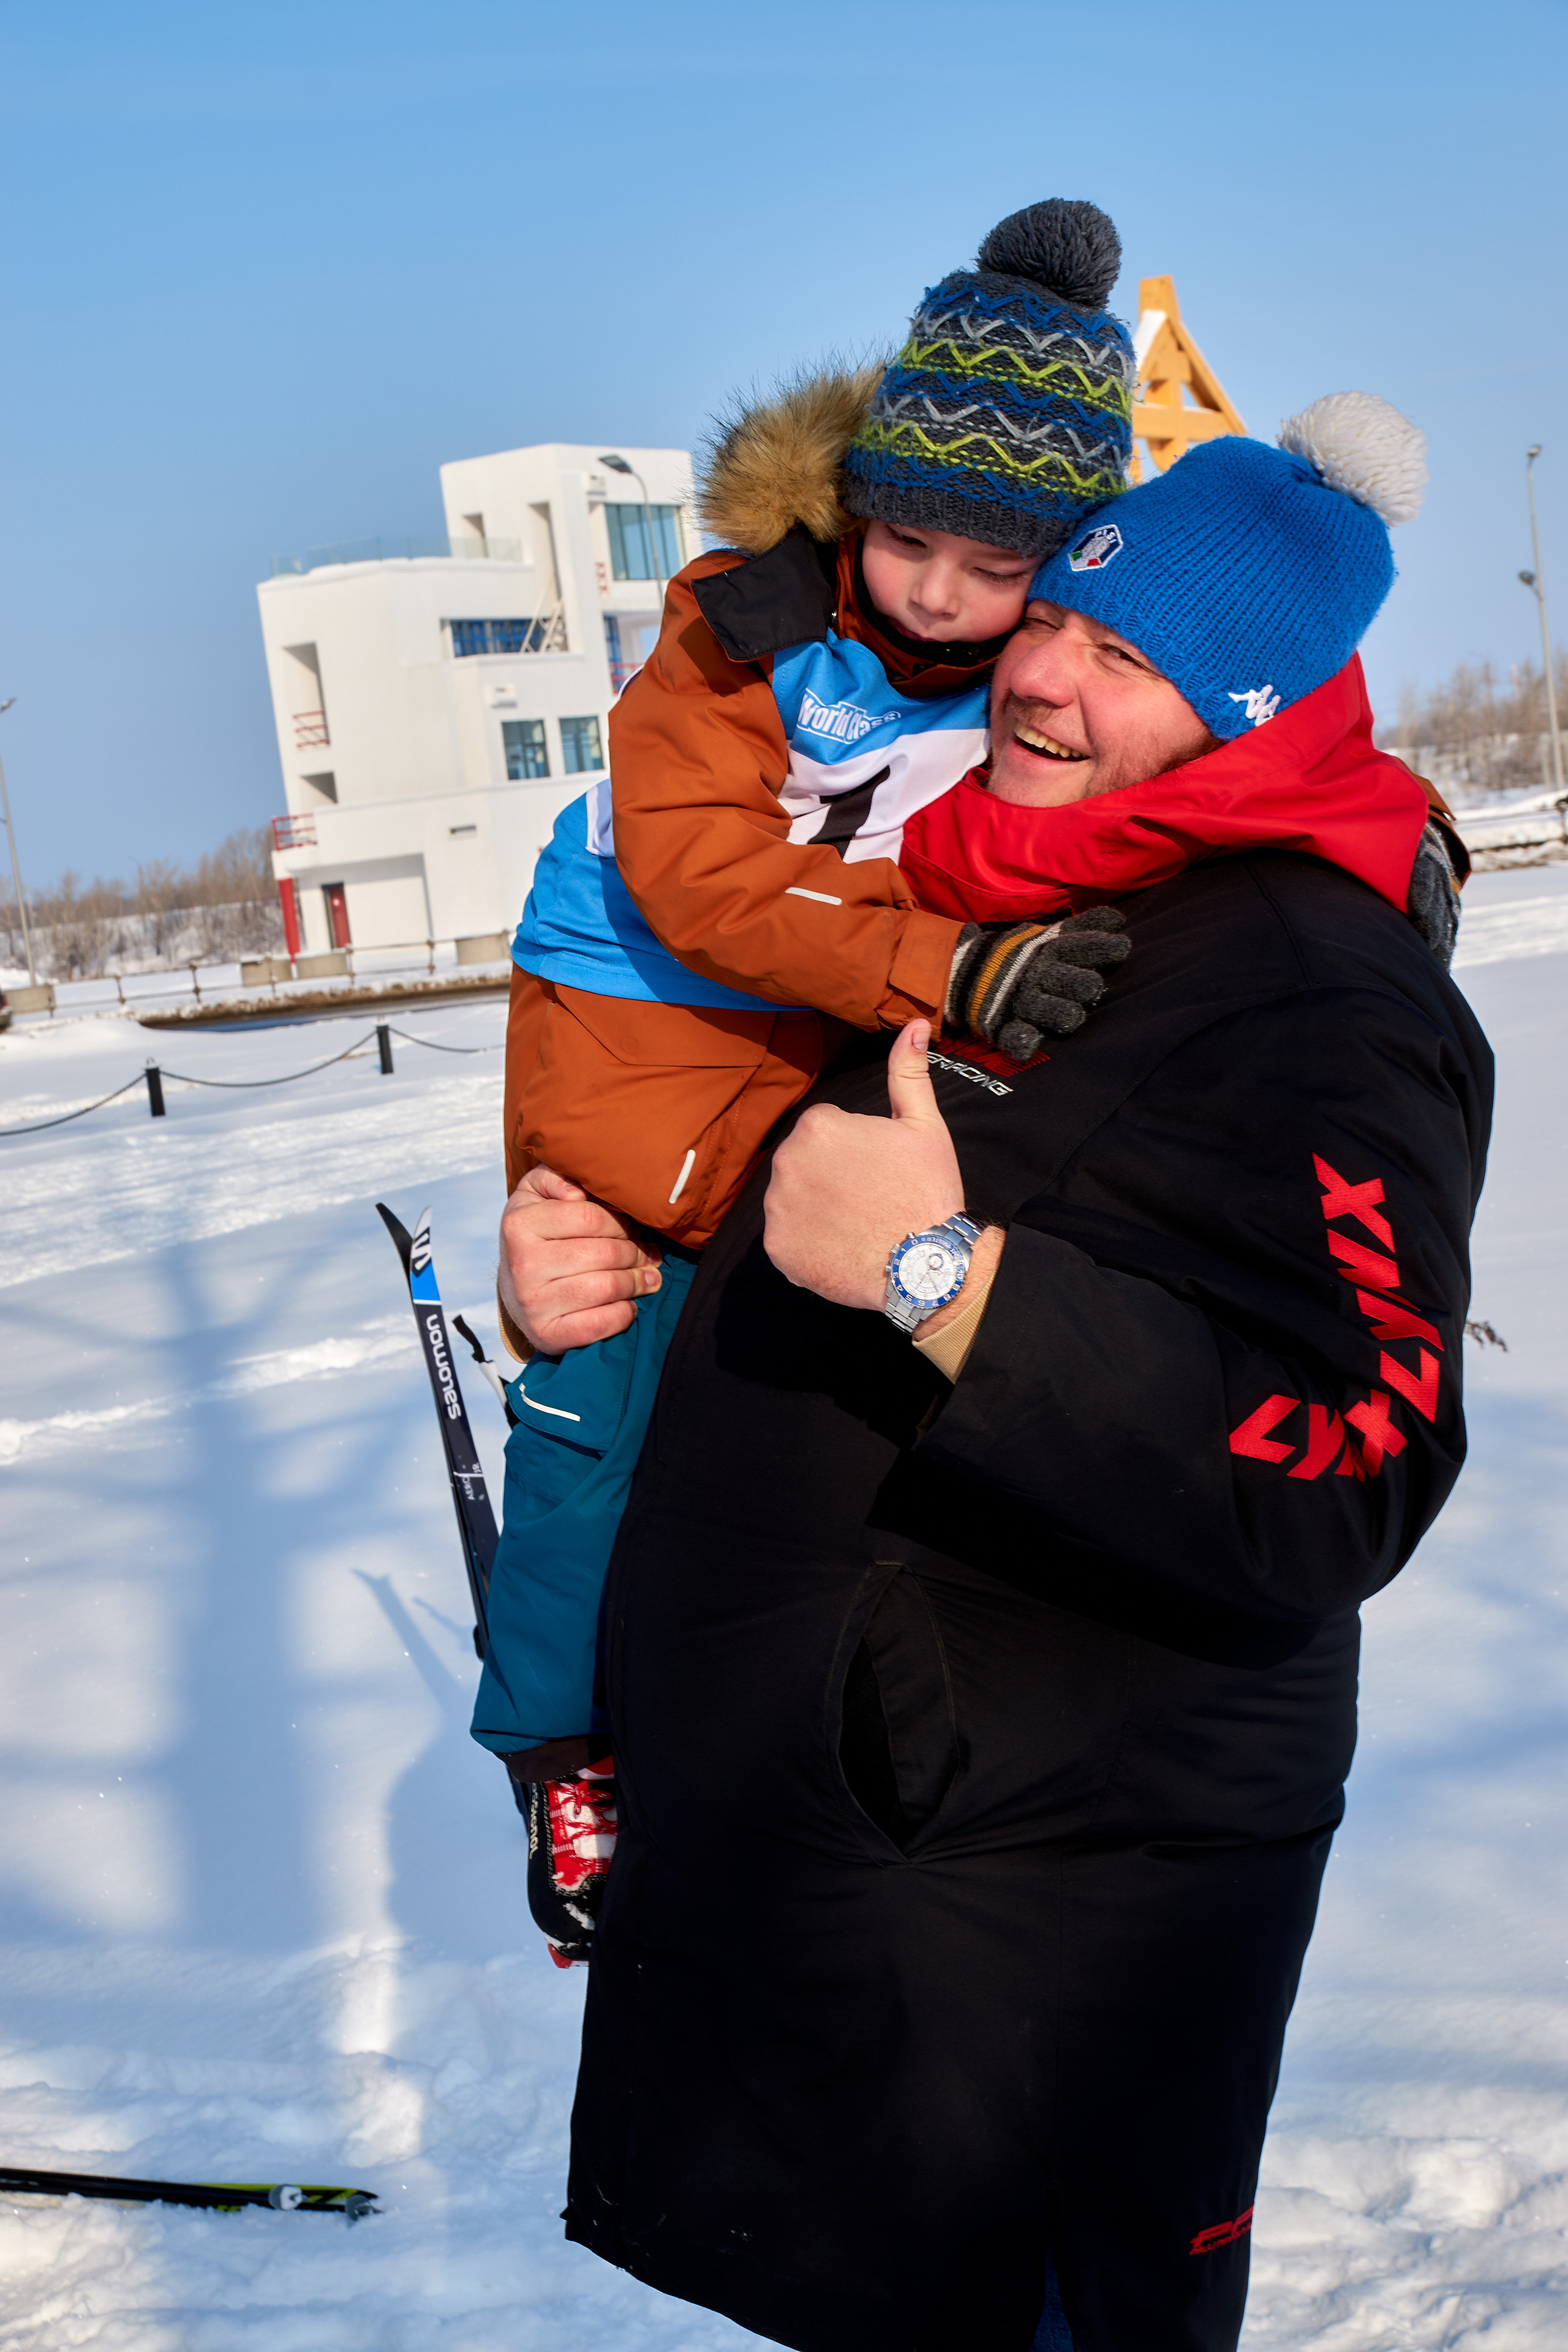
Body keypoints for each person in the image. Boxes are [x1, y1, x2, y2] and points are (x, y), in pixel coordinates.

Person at [503, 396, 1492, 2348]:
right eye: (1064, 616)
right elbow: (786, 1173)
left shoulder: (1312, 980)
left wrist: (943, 1278)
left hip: (1045, 1926)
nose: (1035, 667)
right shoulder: (995, 888)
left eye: (1124, 661)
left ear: (1253, 712)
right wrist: (601, 1277)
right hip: (869, 1878)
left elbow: (1346, 1459)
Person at [473, 201, 1143, 1954]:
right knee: (601, 1351)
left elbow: (1221, 743)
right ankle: (564, 1751)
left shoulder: (1053, 662)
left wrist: (1391, 839)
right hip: (640, 1022)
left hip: (829, 1029)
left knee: (862, 1363)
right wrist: (946, 960)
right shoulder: (736, 621)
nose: (937, 594)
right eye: (910, 537)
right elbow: (696, 875)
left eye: (995, 569)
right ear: (859, 502)